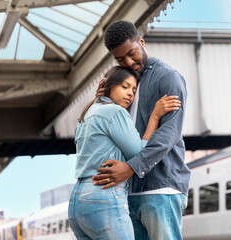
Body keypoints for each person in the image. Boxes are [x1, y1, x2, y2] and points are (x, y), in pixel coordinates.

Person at [92, 20, 191, 240]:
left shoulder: (168, 77)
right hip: (129, 191)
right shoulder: (126, 84)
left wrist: (130, 168)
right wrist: (102, 101)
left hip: (161, 188)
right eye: (120, 59)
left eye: (131, 53)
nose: (128, 62)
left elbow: (169, 134)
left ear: (142, 42)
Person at [68, 66, 181, 240]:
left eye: (134, 90)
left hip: (77, 202)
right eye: (124, 86)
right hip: (103, 195)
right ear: (109, 85)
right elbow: (139, 154)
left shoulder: (87, 114)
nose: (130, 93)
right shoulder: (115, 112)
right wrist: (155, 117)